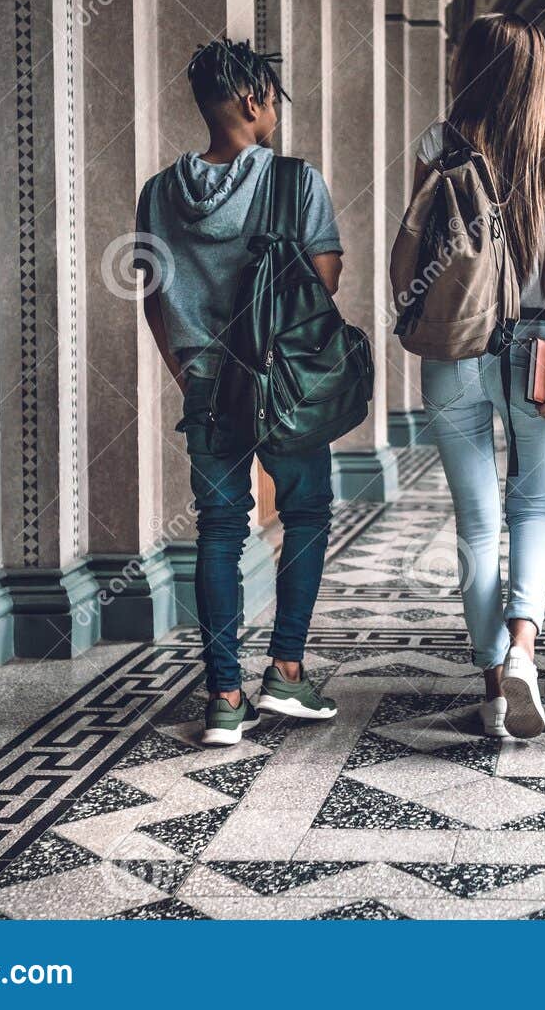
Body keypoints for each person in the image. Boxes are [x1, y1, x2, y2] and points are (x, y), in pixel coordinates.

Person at [136, 39, 343, 746]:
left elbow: (153, 296)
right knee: (307, 508)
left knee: (220, 532)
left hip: (207, 386)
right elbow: (323, 285)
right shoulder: (295, 180)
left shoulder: (160, 193)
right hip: (286, 383)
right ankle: (285, 669)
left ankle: (225, 697)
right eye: (273, 100)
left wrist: (189, 372)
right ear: (254, 100)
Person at [407, 14, 545, 740]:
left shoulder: (436, 143)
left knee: (477, 522)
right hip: (535, 341)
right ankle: (524, 651)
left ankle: (490, 687)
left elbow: (419, 243)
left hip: (454, 345)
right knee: (531, 509)